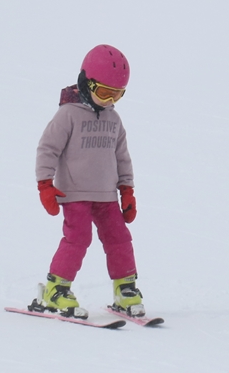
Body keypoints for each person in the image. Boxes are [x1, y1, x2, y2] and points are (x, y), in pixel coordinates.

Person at [32, 44, 145, 319]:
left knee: (119, 239)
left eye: (117, 94)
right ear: (86, 83)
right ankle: (55, 290)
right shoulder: (68, 115)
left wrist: (126, 190)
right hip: (75, 193)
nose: (108, 101)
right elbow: (47, 149)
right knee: (78, 239)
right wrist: (45, 184)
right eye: (104, 92)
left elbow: (122, 157)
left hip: (106, 195)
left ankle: (125, 289)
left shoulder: (114, 119)